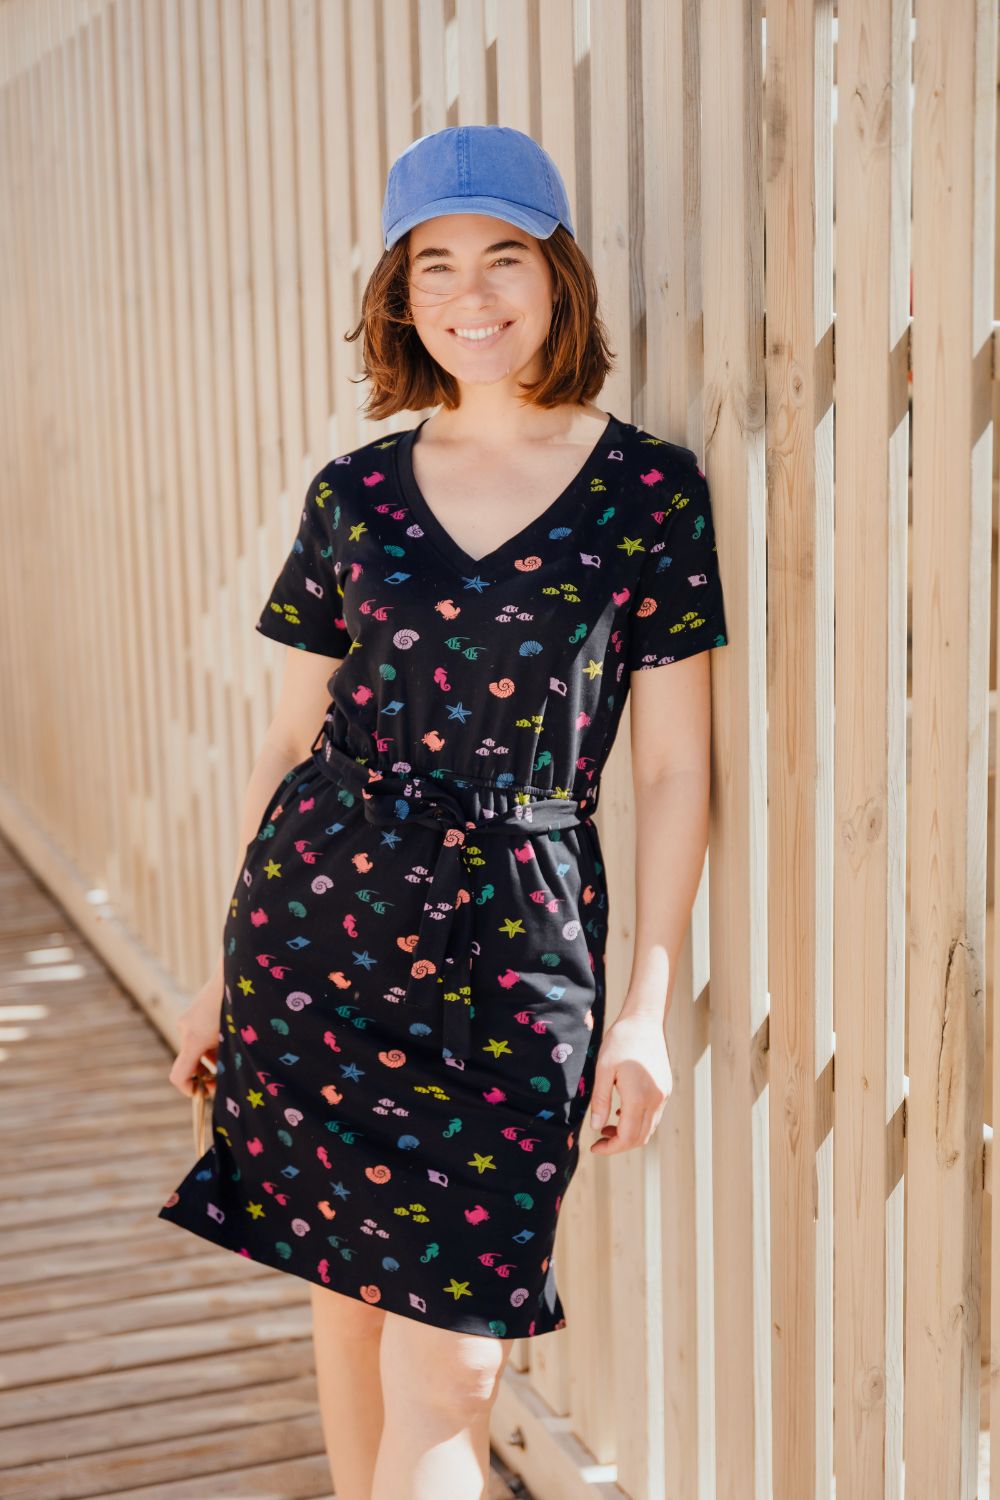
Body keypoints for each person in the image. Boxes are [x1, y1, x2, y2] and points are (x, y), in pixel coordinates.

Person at [158, 124, 729, 1500]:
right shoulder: (353, 497)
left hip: (519, 945)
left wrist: (644, 1008)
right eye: (436, 266)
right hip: (320, 927)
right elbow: (290, 742)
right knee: (344, 1299)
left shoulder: (647, 493)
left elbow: (671, 773)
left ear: (559, 275)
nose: (472, 294)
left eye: (504, 257)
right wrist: (219, 974)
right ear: (401, 296)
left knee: (456, 1365)